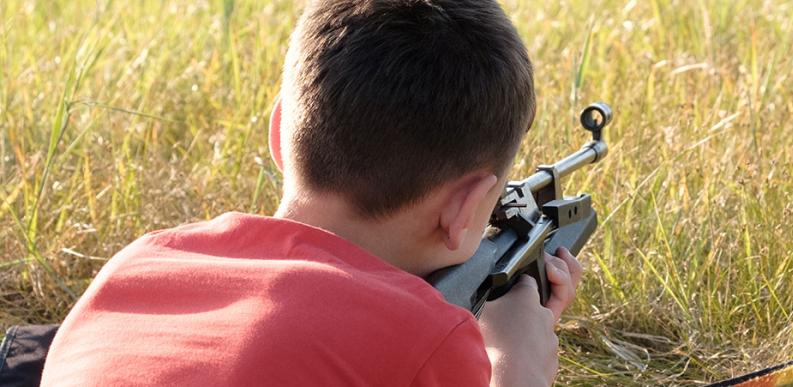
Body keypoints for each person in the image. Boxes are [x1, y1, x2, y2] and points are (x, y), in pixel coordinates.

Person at [40, 0, 583, 386]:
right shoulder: (426, 338)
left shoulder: (138, 264)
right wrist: (517, 364)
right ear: (466, 209)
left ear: (278, 132)